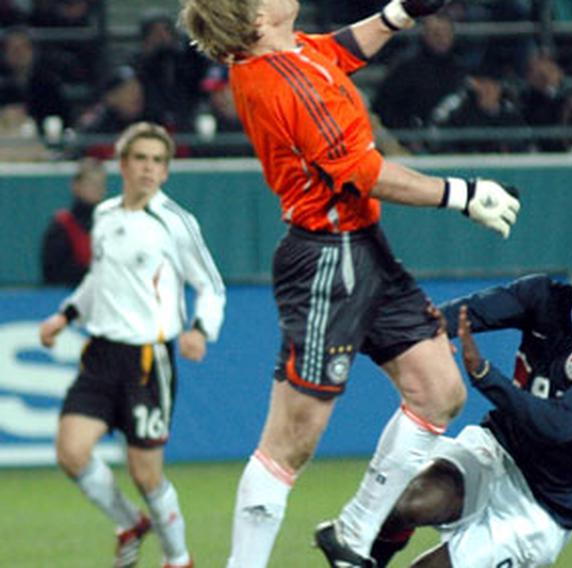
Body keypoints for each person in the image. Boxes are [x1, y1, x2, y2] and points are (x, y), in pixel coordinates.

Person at [178, 1, 521, 567]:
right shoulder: (283, 84)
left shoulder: (287, 53)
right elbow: (365, 173)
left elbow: (339, 50)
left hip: (362, 249)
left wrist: (398, 13)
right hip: (324, 262)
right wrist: (462, 194)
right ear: (257, 22)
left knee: (439, 391)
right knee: (291, 441)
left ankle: (353, 536)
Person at [370, 222, 572, 568]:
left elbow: (558, 425)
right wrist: (419, 327)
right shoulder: (544, 296)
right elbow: (467, 313)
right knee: (406, 503)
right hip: (497, 450)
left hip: (545, 502)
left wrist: (485, 376)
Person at [38, 122, 226, 568]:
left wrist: (200, 328)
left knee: (146, 475)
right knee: (71, 452)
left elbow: (211, 286)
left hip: (147, 361)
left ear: (166, 171)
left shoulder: (175, 222)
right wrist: (64, 316)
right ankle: (129, 523)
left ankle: (178, 558)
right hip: (101, 354)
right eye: (140, 158)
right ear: (123, 165)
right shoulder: (104, 216)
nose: (149, 168)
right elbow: (97, 281)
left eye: (158, 161)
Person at [40, 157, 107, 285]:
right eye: (91, 183)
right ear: (76, 186)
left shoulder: (109, 224)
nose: (97, 189)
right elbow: (53, 273)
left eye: (101, 184)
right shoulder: (61, 226)